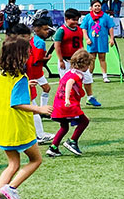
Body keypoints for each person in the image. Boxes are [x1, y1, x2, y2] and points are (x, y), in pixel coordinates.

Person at [0, 37, 51, 199]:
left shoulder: (1, 76)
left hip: (4, 126)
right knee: (36, 160)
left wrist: (25, 86)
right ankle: (11, 188)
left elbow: (9, 96)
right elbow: (17, 103)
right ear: (20, 56)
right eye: (28, 52)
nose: (30, 54)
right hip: (19, 127)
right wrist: (40, 109)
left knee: (13, 164)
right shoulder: (20, 78)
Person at [46, 49, 91, 157]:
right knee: (84, 121)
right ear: (84, 64)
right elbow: (69, 83)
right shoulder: (77, 75)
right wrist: (67, 99)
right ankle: (72, 141)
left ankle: (53, 147)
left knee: (64, 126)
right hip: (68, 105)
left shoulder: (69, 72)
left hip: (58, 104)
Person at [53, 8, 99, 106]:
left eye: (77, 20)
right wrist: (61, 60)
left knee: (87, 78)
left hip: (79, 61)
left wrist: (84, 56)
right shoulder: (61, 31)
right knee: (66, 82)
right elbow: (57, 46)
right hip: (66, 60)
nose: (75, 22)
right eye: (73, 20)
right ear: (66, 19)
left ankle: (90, 97)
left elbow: (80, 43)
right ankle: (64, 100)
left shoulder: (79, 29)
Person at [27, 16, 54, 145]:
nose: (47, 32)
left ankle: (42, 110)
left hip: (35, 71)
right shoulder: (40, 42)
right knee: (33, 107)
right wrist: (47, 58)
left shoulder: (34, 40)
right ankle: (39, 135)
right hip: (34, 72)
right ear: (36, 29)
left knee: (46, 88)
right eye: (44, 29)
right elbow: (38, 59)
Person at [81, 0, 116, 90]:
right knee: (91, 59)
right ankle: (89, 76)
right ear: (91, 7)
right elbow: (84, 28)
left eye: (99, 6)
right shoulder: (88, 17)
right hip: (91, 41)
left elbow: (110, 27)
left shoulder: (105, 16)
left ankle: (105, 76)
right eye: (95, 6)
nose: (97, 7)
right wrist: (87, 38)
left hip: (102, 40)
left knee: (102, 58)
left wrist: (111, 38)